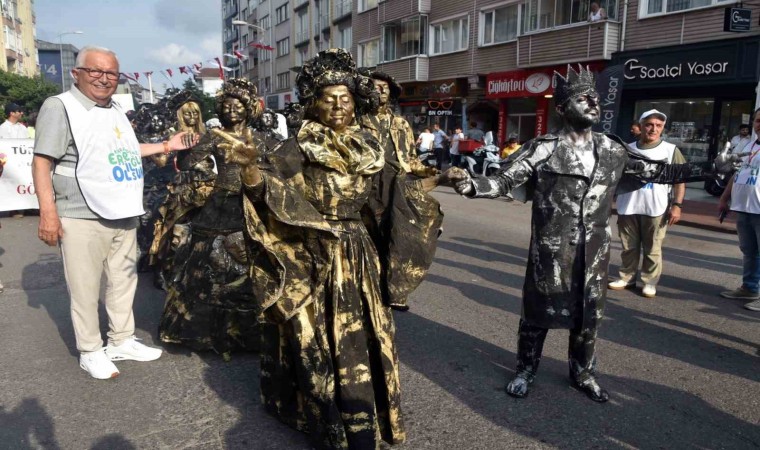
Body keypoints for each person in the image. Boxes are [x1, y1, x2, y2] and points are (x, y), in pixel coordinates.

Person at [446, 65, 706, 402]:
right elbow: (506, 179)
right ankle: (526, 368)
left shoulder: (613, 149)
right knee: (538, 314)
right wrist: (473, 185)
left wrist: (712, 169)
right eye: (584, 99)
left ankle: (582, 372)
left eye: (595, 99)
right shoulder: (545, 147)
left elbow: (661, 170)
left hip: (595, 249)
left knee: (590, 314)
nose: (593, 104)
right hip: (551, 249)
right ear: (562, 108)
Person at [229, 48, 439, 449]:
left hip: (357, 255)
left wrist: (437, 180)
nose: (338, 106)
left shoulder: (369, 148)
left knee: (358, 339)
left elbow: (393, 197)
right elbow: (267, 197)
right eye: (328, 98)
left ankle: (360, 417)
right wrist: (250, 169)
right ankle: (324, 418)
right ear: (314, 103)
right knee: (312, 340)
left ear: (355, 102)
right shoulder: (295, 148)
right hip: (309, 254)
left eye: (345, 99)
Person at [31, 46, 197, 380]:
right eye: (95, 71)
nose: (104, 79)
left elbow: (126, 150)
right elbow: (42, 160)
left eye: (111, 74)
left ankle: (121, 339)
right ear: (77, 73)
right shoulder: (60, 107)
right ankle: (90, 350)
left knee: (124, 280)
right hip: (82, 213)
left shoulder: (115, 109)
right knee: (85, 286)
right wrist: (48, 213)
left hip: (122, 209)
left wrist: (167, 146)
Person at [158, 79, 267, 356]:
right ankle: (209, 332)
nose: (231, 110)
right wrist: (183, 147)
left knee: (248, 263)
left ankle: (248, 333)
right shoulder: (215, 135)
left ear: (248, 109)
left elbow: (271, 169)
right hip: (218, 204)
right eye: (226, 105)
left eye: (237, 105)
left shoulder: (259, 137)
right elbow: (186, 163)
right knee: (207, 264)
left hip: (248, 201)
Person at [360, 69, 443, 311]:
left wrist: (429, 172)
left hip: (396, 187)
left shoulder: (400, 124)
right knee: (367, 241)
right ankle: (367, 291)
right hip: (365, 186)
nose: (381, 89)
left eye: (386, 87)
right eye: (376, 86)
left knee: (397, 237)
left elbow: (411, 160)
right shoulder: (356, 121)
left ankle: (394, 290)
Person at [608, 110, 686, 298]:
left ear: (662, 128)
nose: (653, 129)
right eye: (650, 124)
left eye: (658, 126)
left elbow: (679, 180)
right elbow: (615, 176)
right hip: (628, 205)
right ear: (641, 126)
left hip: (656, 207)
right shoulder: (627, 149)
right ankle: (626, 277)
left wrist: (677, 205)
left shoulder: (670, 150)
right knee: (629, 247)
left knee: (653, 248)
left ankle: (649, 282)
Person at [718, 108, 760, 312]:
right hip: (743, 207)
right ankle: (749, 288)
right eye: (758, 120)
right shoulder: (749, 146)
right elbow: (737, 175)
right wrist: (725, 198)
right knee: (749, 251)